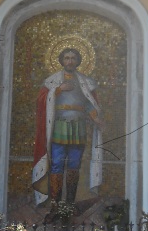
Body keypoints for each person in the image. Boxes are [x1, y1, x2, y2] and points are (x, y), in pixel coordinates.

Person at [32, 47, 102, 205]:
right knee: (57, 164)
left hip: (78, 128)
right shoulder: (52, 81)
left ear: (78, 61)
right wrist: (58, 90)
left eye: (73, 58)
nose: (70, 61)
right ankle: (56, 204)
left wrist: (95, 117)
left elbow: (89, 103)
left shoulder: (85, 82)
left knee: (74, 165)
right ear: (62, 61)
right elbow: (41, 101)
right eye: (67, 58)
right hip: (59, 126)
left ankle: (70, 203)